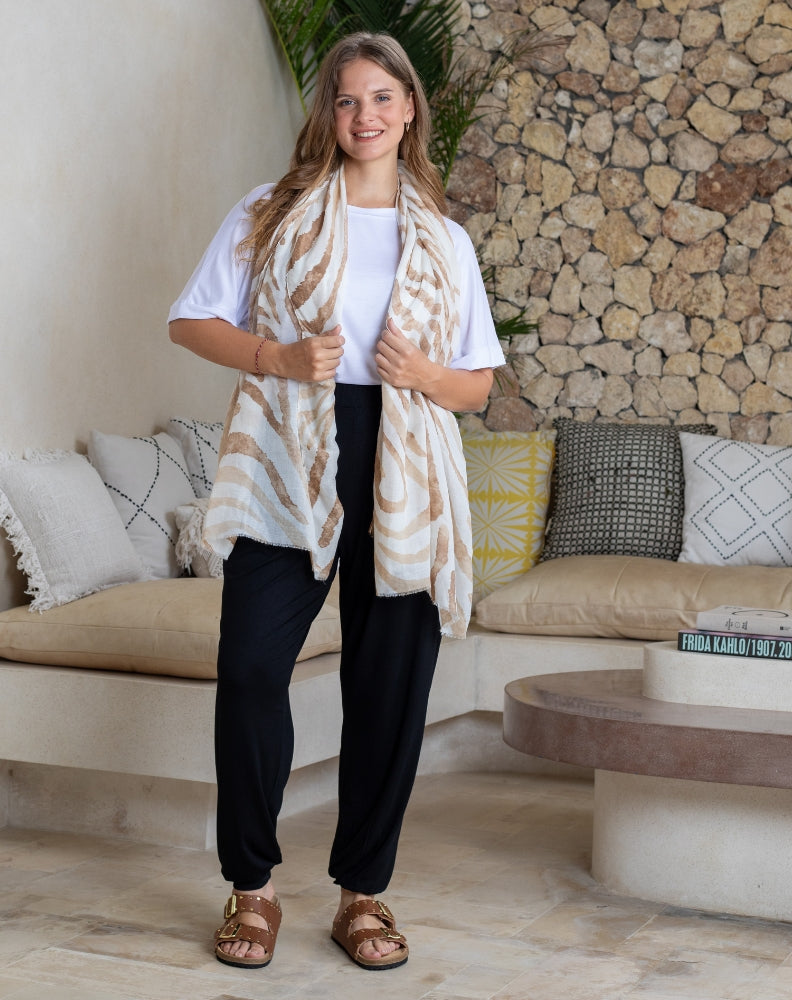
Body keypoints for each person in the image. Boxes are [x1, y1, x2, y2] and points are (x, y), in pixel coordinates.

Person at [168, 31, 505, 973]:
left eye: (382, 99)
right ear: (332, 111)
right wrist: (274, 357)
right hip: (288, 455)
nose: (365, 116)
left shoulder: (442, 237)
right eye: (348, 99)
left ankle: (364, 892)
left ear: (409, 110)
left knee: (390, 687)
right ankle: (253, 886)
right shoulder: (270, 212)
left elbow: (478, 384)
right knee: (249, 669)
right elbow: (191, 320)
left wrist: (428, 372)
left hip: (406, 466)